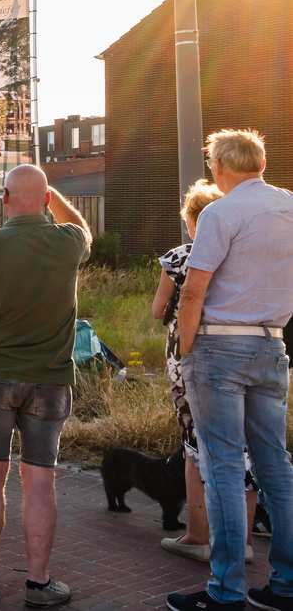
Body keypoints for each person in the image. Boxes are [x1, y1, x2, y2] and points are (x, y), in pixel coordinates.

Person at [166, 130, 293, 611]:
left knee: (221, 466)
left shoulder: (221, 211)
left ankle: (226, 591)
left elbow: (194, 291)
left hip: (220, 347)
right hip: (271, 344)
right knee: (276, 465)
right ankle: (285, 584)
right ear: (260, 163)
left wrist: (187, 348)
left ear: (219, 167)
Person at [0, 164, 90, 608]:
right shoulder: (68, 243)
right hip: (50, 380)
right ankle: (39, 581)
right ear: (49, 200)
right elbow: (82, 227)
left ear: (4, 198)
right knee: (40, 481)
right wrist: (52, 196)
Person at [156, 180, 260, 565]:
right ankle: (243, 542)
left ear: (191, 220)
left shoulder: (180, 258)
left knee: (194, 444)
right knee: (242, 446)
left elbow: (157, 309)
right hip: (240, 354)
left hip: (189, 357)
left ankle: (198, 536)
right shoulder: (242, 257)